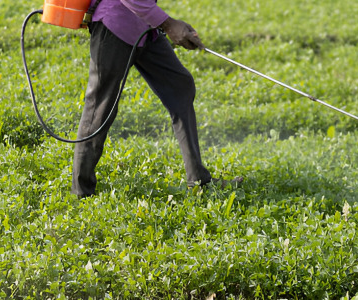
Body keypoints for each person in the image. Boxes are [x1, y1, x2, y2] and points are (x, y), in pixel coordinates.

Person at [71, 0, 242, 197]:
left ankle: (199, 180)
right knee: (100, 107)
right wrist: (169, 24)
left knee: (180, 86)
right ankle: (82, 192)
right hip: (114, 25)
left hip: (145, 28)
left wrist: (164, 22)